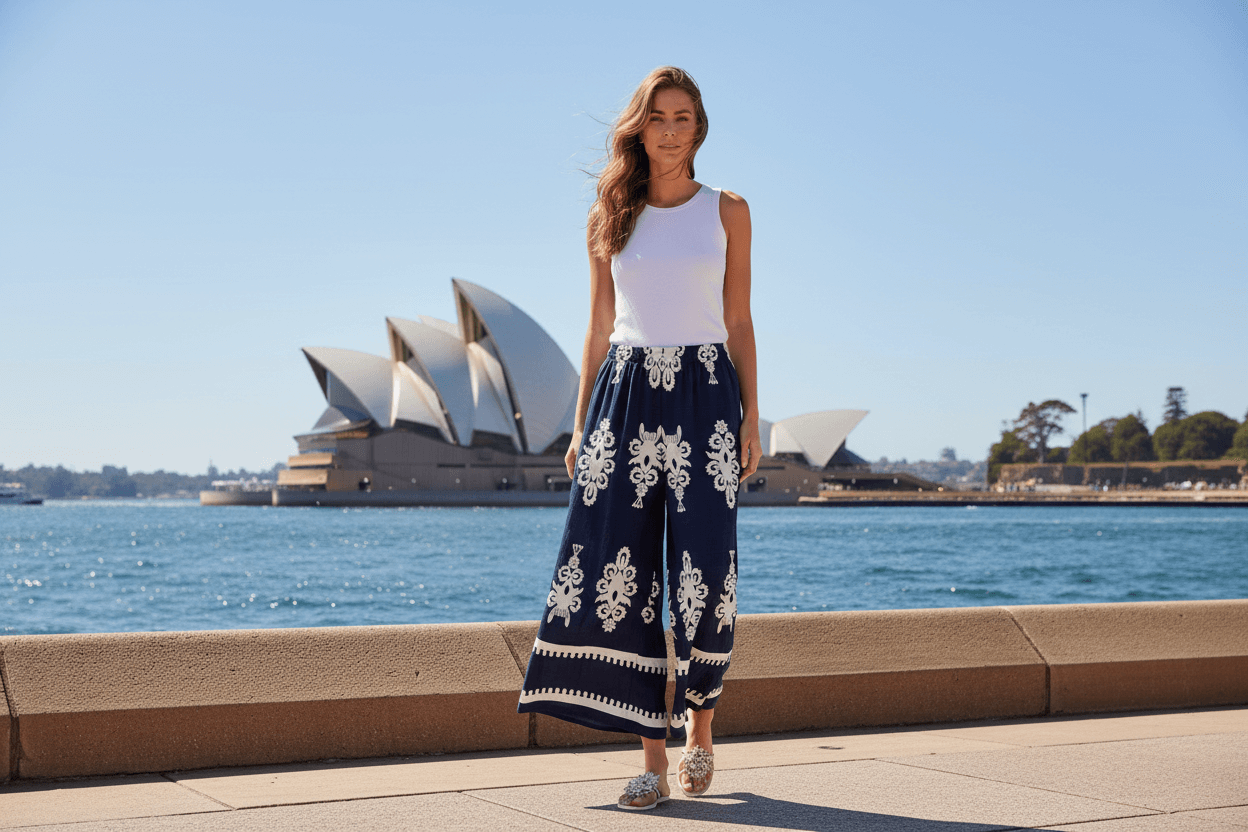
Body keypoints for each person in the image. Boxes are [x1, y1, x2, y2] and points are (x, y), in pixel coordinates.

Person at [517, 66, 760, 811]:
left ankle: (702, 731)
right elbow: (596, 326)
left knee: (703, 573)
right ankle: (649, 759)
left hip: (705, 395)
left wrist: (752, 416)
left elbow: (740, 319)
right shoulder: (611, 211)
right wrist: (583, 420)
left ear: (700, 127)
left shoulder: (729, 210)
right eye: (657, 117)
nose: (670, 129)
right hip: (623, 396)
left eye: (683, 117)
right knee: (617, 568)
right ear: (640, 127)